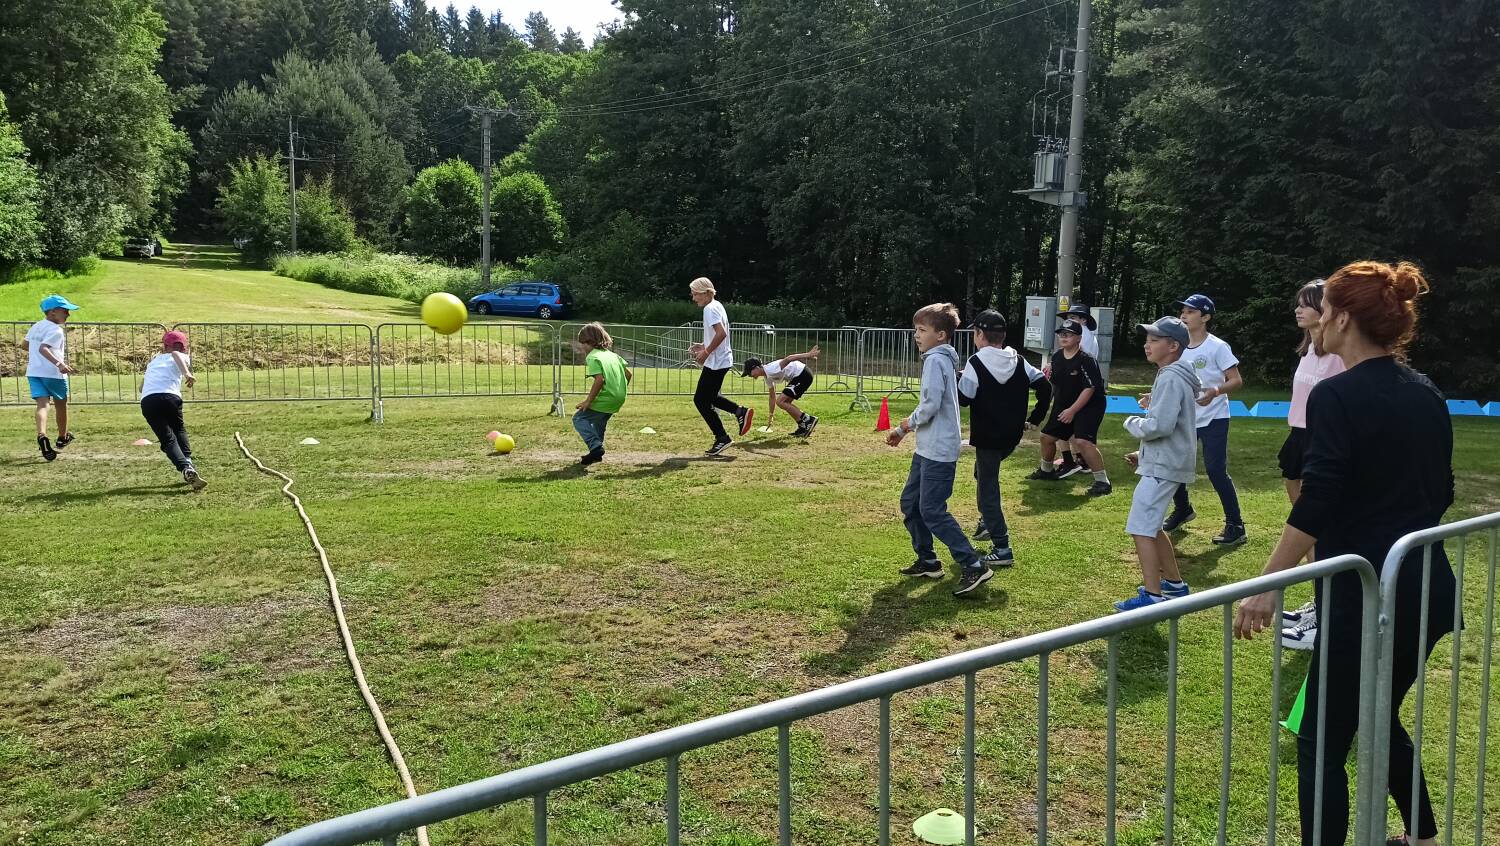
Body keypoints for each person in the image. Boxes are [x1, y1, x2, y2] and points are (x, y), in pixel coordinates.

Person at [1234, 260, 1454, 846]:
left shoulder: (1335, 394)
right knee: (1374, 713)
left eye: (1326, 309)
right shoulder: (1426, 391)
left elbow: (1318, 501)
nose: (1319, 320)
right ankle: (1423, 837)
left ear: (1343, 319)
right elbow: (1442, 491)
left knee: (1321, 738)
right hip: (1427, 587)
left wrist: (1266, 584)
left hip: (1367, 597)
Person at [890, 303, 991, 596]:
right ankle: (928, 561)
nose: (916, 335)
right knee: (911, 504)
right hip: (927, 448)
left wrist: (904, 427)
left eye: (922, 330)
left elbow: (930, 405)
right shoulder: (938, 359)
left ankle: (973, 564)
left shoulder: (936, 361)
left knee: (932, 510)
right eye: (916, 330)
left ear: (941, 335)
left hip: (939, 450)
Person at [1114, 317, 1200, 611]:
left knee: (1140, 528)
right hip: (1163, 462)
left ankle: (1152, 595)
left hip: (1164, 466)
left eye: (1154, 340)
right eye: (1147, 339)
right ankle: (1174, 585)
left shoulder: (1171, 377)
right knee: (1151, 525)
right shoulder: (1171, 374)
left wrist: (1131, 422)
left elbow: (1160, 426)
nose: (1146, 345)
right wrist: (1144, 454)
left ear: (1173, 346)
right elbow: (1173, 425)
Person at [1279, 279, 1346, 651]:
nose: (1298, 309)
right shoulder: (1308, 349)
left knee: (1316, 527)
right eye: (1298, 303)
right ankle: (1321, 598)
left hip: (1320, 442)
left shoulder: (1339, 355)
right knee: (1306, 527)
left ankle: (1328, 608)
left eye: (1307, 304)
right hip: (1298, 438)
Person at [958, 310, 1052, 568]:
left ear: (979, 334)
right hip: (1011, 435)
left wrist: (959, 378)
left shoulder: (976, 362)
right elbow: (1045, 387)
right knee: (982, 474)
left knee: (988, 487)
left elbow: (964, 398)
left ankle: (1001, 546)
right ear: (1003, 336)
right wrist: (1035, 418)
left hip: (987, 436)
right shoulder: (1018, 360)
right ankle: (988, 522)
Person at [1151, 293, 1247, 544]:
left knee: (1215, 470)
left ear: (1205, 317)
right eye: (1183, 311)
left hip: (1214, 418)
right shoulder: (1176, 347)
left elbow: (1236, 381)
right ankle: (1183, 509)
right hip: (1184, 418)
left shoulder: (1217, 346)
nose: (1184, 315)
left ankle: (1236, 525)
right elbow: (1171, 380)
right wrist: (1154, 396)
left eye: (1191, 311)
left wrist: (1215, 391)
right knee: (1174, 466)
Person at [1030, 319, 1111, 496]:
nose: (1064, 337)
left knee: (1083, 441)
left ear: (1079, 338)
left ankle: (1103, 482)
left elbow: (1090, 389)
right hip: (1065, 404)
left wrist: (1073, 411)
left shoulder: (1086, 360)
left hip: (1090, 406)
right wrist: (1047, 406)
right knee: (1046, 437)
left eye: (1068, 334)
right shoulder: (1057, 357)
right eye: (1061, 334)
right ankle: (1046, 471)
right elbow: (1054, 384)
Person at [688, 277, 753, 455]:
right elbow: (718, 335)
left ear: (705, 293)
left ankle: (723, 436)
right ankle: (739, 413)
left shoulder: (709, 309)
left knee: (701, 400)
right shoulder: (717, 305)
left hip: (716, 362)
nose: (694, 298)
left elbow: (721, 334)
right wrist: (704, 345)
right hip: (721, 360)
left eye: (695, 294)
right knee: (708, 397)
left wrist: (706, 352)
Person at [139, 330, 207, 490]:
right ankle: (188, 462)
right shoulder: (182, 356)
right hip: (170, 397)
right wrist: (187, 373)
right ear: (184, 347)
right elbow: (176, 355)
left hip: (148, 401)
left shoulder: (154, 361)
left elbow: (141, 387)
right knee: (179, 429)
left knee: (167, 439)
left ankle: (185, 468)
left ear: (164, 346)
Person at [26, 294, 80, 461]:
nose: (68, 314)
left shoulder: (36, 326)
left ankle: (42, 435)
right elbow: (43, 348)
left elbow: (24, 345)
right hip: (53, 374)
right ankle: (62, 437)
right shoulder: (56, 330)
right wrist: (59, 364)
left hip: (34, 372)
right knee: (61, 405)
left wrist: (36, 356)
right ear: (52, 312)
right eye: (65, 310)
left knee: (42, 405)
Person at [572, 322, 632, 465]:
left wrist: (588, 401)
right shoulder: (613, 355)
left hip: (607, 398)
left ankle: (595, 446)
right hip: (619, 398)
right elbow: (628, 374)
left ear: (589, 342)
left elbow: (599, 380)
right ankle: (596, 454)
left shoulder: (593, 357)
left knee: (579, 418)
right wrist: (618, 391)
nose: (582, 347)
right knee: (600, 422)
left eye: (582, 343)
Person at [741, 344, 820, 437]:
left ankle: (808, 420)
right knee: (785, 402)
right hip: (800, 376)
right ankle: (802, 426)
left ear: (756, 368)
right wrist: (771, 415)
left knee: (780, 402)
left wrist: (808, 355)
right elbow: (772, 396)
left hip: (803, 374)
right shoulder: (767, 377)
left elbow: (789, 358)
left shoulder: (770, 369)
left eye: (749, 373)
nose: (750, 376)